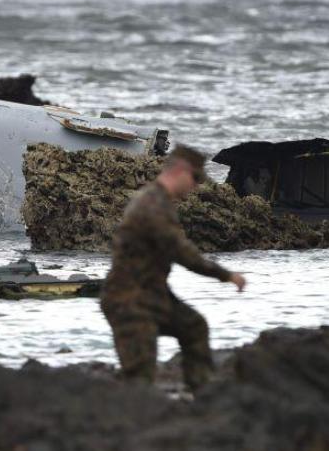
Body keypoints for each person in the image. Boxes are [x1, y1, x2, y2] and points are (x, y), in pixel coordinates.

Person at [101, 145, 246, 388]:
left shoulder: (161, 202)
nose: (196, 186)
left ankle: (202, 393)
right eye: (195, 178)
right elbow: (181, 252)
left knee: (194, 326)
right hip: (129, 300)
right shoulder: (151, 205)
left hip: (153, 294)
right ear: (181, 171)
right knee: (139, 376)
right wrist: (226, 275)